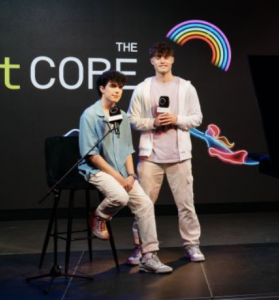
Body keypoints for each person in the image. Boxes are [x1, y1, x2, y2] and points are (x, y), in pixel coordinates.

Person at [78, 70, 173, 274]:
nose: (117, 91)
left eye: (120, 87)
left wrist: (130, 175)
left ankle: (148, 257)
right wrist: (119, 178)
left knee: (145, 205)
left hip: (122, 172)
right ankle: (98, 215)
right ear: (102, 88)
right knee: (120, 196)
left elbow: (128, 150)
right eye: (113, 86)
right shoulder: (89, 115)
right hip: (97, 170)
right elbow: (92, 156)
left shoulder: (120, 115)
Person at [127, 41, 205, 265]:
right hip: (150, 157)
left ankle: (191, 244)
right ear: (152, 61)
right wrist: (153, 122)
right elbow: (132, 119)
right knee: (143, 206)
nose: (162, 61)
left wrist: (176, 119)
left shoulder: (186, 87)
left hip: (179, 156)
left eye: (166, 57)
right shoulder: (142, 88)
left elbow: (197, 117)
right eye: (158, 57)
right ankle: (142, 248)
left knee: (186, 204)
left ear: (172, 60)